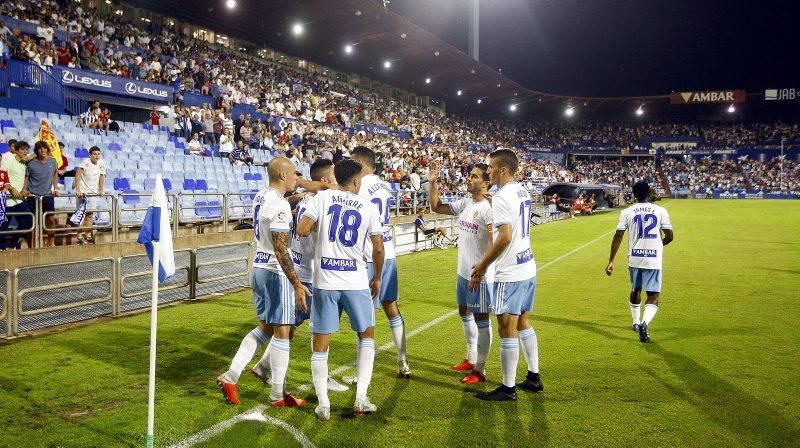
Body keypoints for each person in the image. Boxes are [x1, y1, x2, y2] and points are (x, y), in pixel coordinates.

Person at [248, 159, 349, 394]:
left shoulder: (303, 201)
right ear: (323, 180)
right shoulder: (323, 201)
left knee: (289, 325)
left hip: (298, 269)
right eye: (333, 176)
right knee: (321, 327)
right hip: (312, 275)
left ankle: (264, 365)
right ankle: (319, 380)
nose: (336, 181)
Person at [296, 158, 385, 421]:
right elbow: (378, 248)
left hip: (324, 282)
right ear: (356, 181)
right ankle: (360, 399)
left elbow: (302, 230)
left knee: (320, 344)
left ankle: (323, 403)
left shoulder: (323, 199)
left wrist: (322, 236)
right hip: (356, 282)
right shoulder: (368, 207)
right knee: (366, 336)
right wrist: (377, 277)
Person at [216, 157, 309, 407]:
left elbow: (275, 210)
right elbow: (281, 250)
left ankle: (231, 375)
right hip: (275, 272)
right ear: (281, 175)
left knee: (264, 328)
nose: (295, 180)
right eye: (293, 175)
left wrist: (295, 199)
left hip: (258, 267)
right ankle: (278, 394)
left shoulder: (261, 197)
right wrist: (297, 284)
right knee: (283, 331)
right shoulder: (278, 207)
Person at [471, 149, 542, 401]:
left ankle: (508, 388)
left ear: (502, 170)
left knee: (506, 328)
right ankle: (533, 377)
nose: (488, 171)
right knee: (523, 321)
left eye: (490, 167)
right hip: (528, 265)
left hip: (510, 271)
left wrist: (483, 265)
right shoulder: (521, 190)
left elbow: (505, 236)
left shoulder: (501, 197)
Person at [428, 162, 495, 385]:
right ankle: (471, 357)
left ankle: (480, 369)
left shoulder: (488, 209)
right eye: (469, 175)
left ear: (486, 183)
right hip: (463, 272)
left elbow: (496, 243)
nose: (469, 179)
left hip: (480, 275)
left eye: (475, 176)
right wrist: (432, 183)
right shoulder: (466, 202)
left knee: (482, 319)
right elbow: (437, 207)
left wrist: (483, 268)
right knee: (463, 312)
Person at [349, 146, 411, 380]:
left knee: (365, 316)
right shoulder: (386, 186)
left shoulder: (359, 185)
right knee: (391, 306)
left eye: (354, 163)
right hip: (389, 253)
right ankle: (403, 361)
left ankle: (360, 373)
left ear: (362, 164)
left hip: (368, 256)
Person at [605, 181, 674, 343]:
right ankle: (644, 323)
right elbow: (670, 236)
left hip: (634, 257)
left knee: (635, 289)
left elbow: (618, 235)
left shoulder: (627, 211)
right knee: (653, 295)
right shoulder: (660, 211)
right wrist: (658, 245)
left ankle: (635, 322)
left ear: (634, 195)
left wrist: (611, 261)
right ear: (649, 193)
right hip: (653, 258)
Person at [23, 141, 59, 247]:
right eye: (40, 149)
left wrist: (56, 188)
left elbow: (55, 175)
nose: (43, 150)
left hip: (47, 195)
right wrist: (25, 189)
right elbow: (27, 177)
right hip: (33, 196)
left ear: (48, 149)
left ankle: (51, 242)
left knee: (51, 220)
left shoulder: (53, 161)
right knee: (32, 221)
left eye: (44, 148)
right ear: (36, 151)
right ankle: (32, 244)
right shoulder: (31, 163)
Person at [70, 146, 105, 245]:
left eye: (98, 154)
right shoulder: (85, 162)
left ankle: (88, 235)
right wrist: (78, 189)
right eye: (94, 154)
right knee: (81, 214)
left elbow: (102, 176)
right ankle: (79, 235)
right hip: (83, 192)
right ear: (90, 155)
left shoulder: (101, 163)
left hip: (93, 191)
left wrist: (101, 189)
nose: (96, 156)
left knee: (90, 215)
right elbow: (78, 174)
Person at [0, 141, 29, 249]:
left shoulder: (25, 163)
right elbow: (3, 176)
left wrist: (25, 189)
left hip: (20, 199)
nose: (25, 152)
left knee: (23, 224)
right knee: (3, 225)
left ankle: (13, 245)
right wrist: (12, 189)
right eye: (22, 149)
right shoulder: (8, 161)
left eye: (26, 149)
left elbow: (26, 177)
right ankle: (2, 248)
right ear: (16, 151)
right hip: (7, 199)